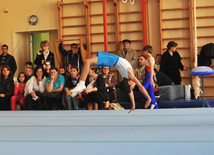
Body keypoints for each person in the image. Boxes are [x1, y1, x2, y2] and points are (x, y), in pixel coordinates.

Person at [71, 51, 151, 113]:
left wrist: (133, 104)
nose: (132, 88)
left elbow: (130, 92)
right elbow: (141, 87)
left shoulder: (126, 78)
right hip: (113, 59)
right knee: (88, 63)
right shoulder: (131, 75)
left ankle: (81, 84)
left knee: (88, 62)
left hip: (112, 60)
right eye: (132, 87)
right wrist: (148, 98)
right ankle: (81, 84)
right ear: (130, 83)